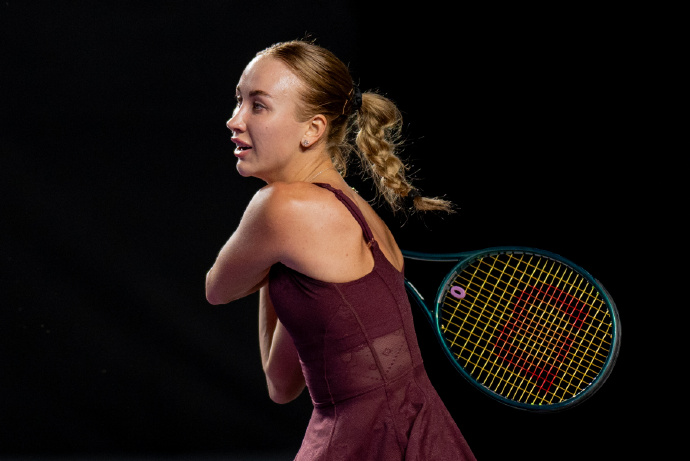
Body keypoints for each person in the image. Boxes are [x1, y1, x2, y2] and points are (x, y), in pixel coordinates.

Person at [205, 40, 476, 461]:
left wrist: (268, 243)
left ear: (313, 130)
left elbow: (217, 289)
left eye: (258, 106)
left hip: (364, 442)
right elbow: (281, 385)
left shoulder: (281, 207)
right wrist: (274, 260)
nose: (234, 120)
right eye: (239, 100)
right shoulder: (365, 217)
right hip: (423, 437)